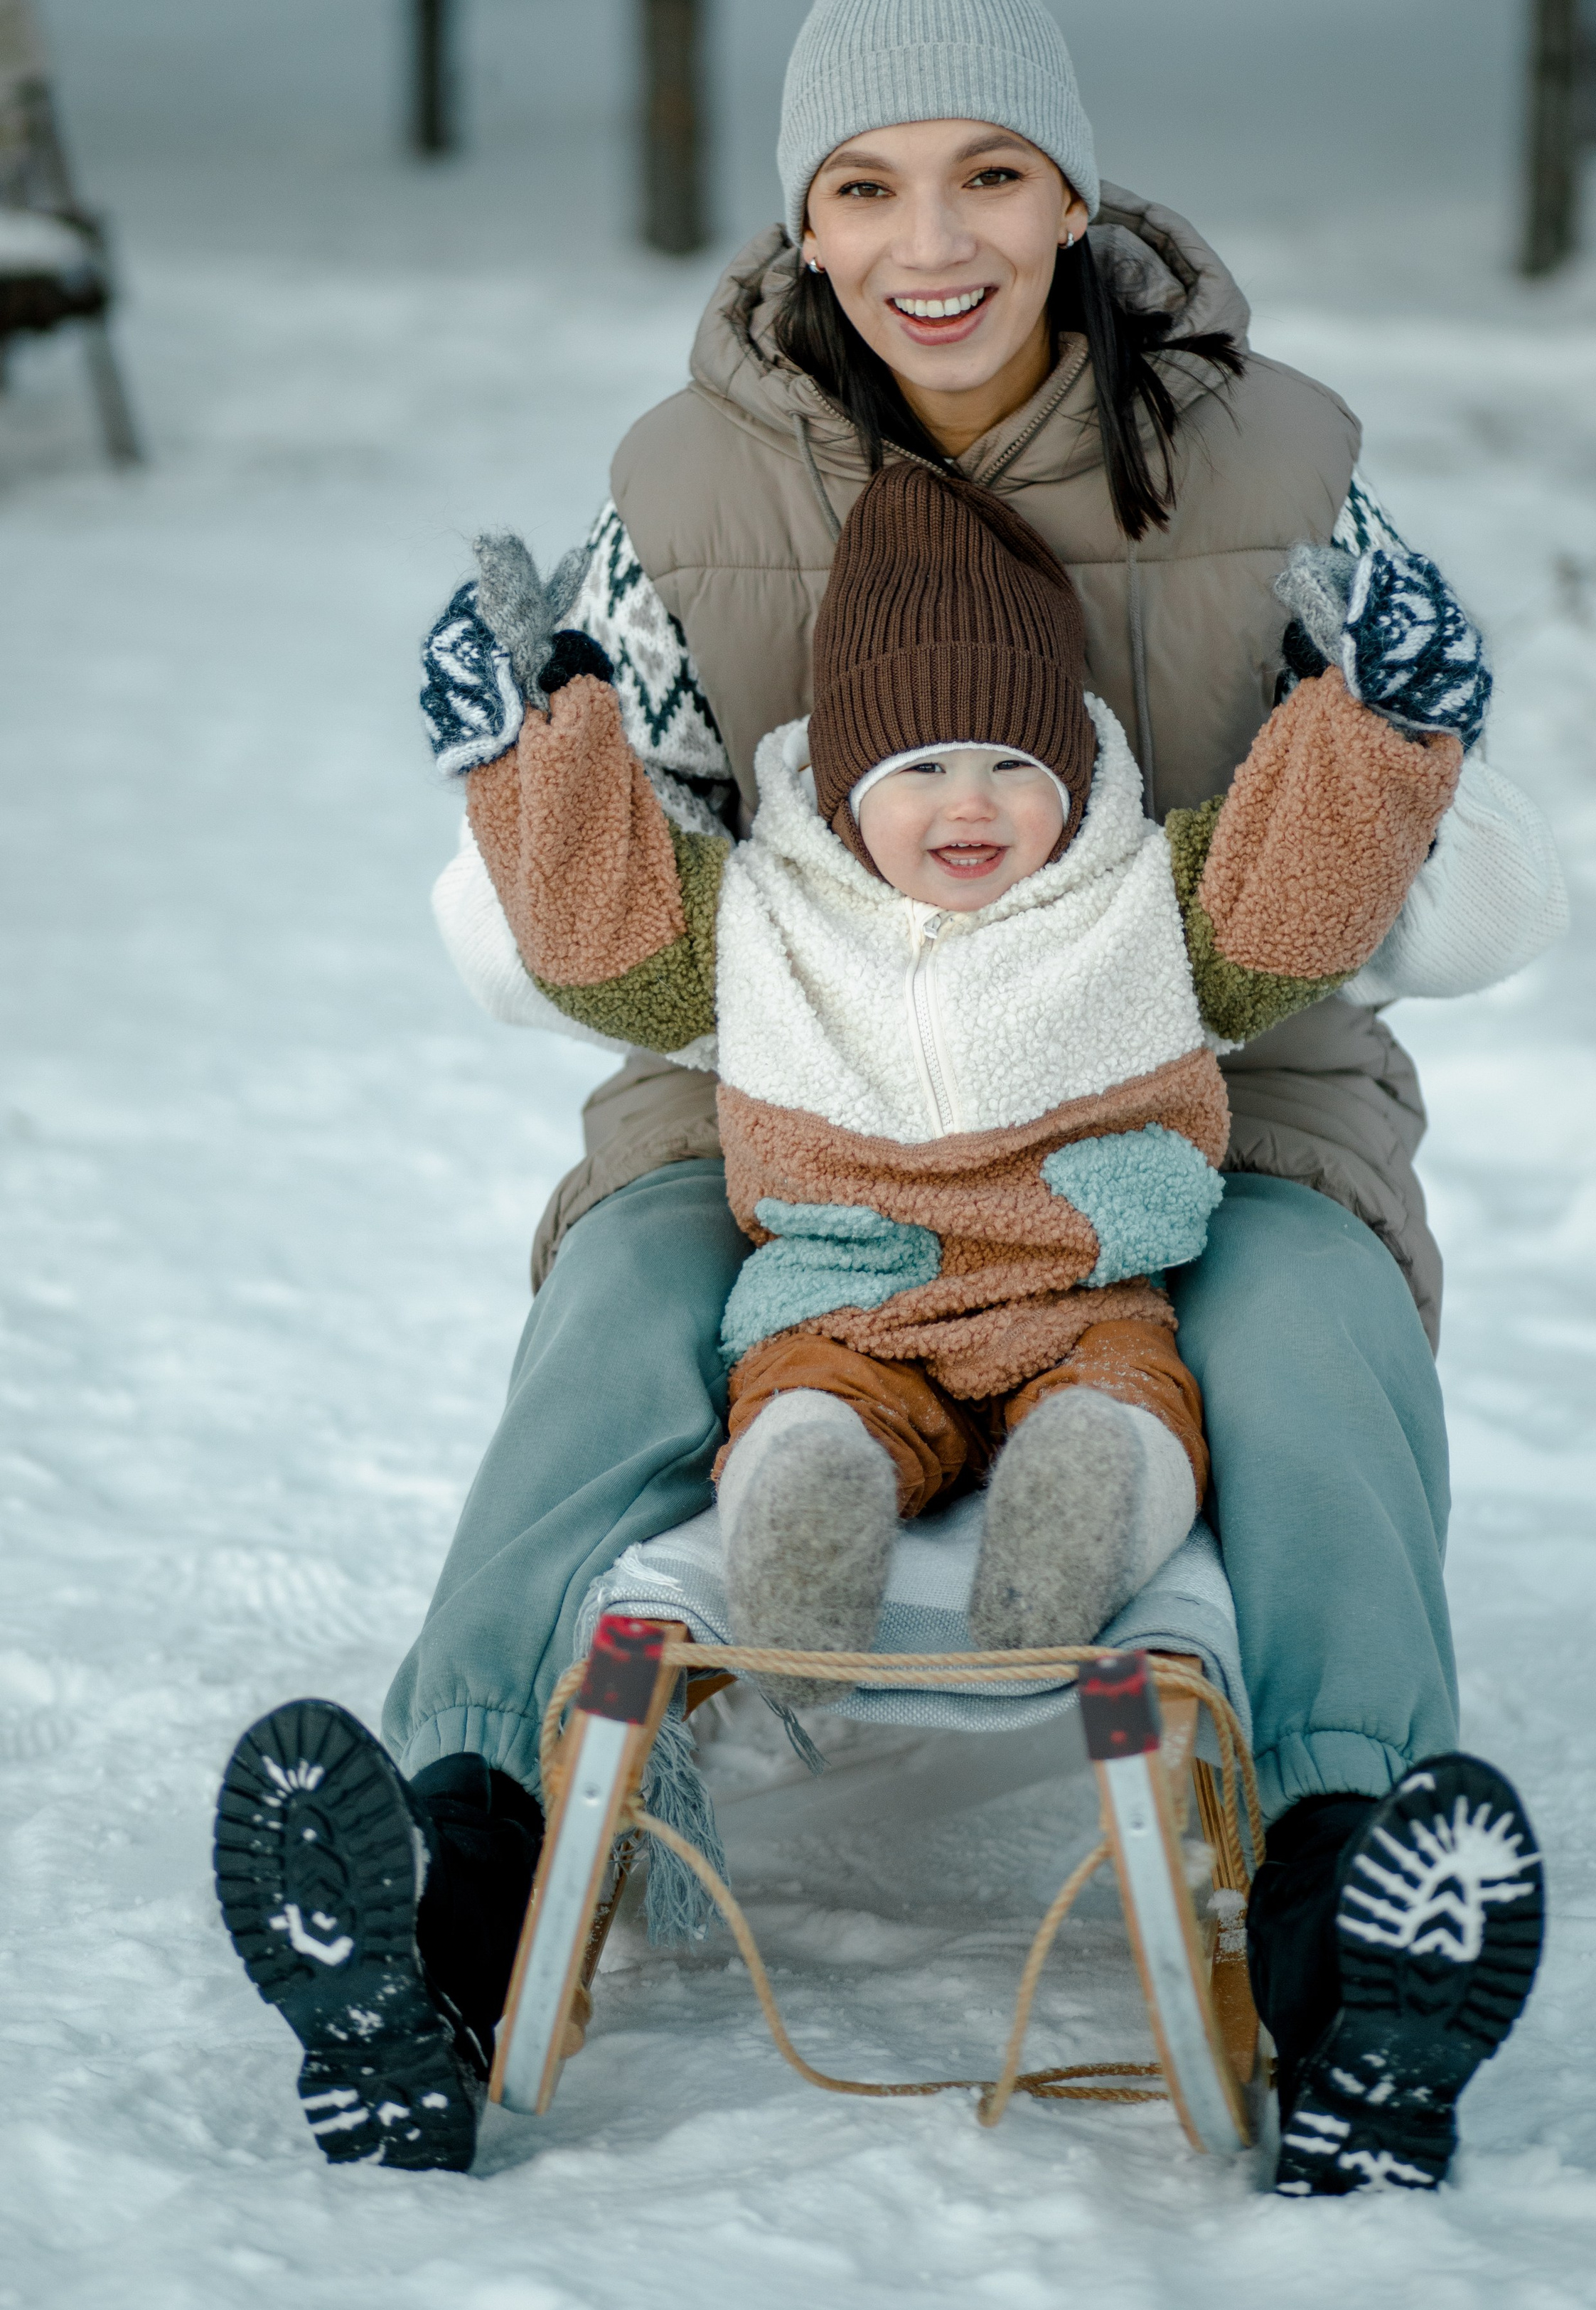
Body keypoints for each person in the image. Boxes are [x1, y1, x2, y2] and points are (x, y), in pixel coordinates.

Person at [213, 0, 1565, 2191]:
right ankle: (449, 1873)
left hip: (1201, 1096)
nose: (929, 244)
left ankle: (1359, 1930)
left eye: (989, 174)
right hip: (794, 1101)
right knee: (625, 1307)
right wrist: (534, 785)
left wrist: (1372, 802)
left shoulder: (1269, 463)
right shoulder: (692, 495)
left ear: (1075, 187)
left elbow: (1492, 868)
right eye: (861, 185)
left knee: (1313, 1334)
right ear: (800, 213)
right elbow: (574, 923)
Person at [442, 454, 1460, 1701]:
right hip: (844, 1302)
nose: (969, 805)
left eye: (1011, 765)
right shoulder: (767, 917)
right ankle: (805, 1541)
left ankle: (1071, 1534)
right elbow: (607, 937)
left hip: (1085, 1299)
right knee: (807, 1415)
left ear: (1073, 772)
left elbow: (1292, 901)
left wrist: (1375, 729)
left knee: (1127, 1416)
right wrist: (535, 748)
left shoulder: (1135, 898)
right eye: (919, 770)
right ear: (846, 790)